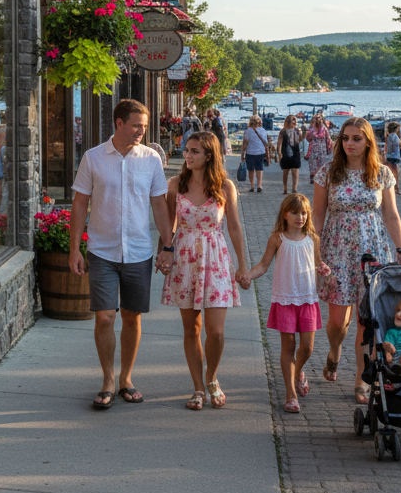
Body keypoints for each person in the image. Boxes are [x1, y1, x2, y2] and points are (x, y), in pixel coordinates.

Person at [69, 99, 174, 410]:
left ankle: (126, 378)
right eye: (136, 125)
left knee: (131, 316)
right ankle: (108, 381)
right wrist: (75, 248)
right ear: (118, 123)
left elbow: (159, 205)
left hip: (139, 251)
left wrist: (167, 246)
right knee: (104, 317)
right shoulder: (93, 158)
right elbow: (79, 204)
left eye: (143, 125)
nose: (141, 131)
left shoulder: (151, 159)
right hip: (102, 250)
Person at [314, 117, 401, 404]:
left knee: (366, 321)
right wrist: (313, 250)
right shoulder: (328, 173)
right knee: (335, 322)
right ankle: (333, 351)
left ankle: (361, 378)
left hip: (374, 250)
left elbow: (391, 214)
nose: (350, 143)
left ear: (368, 141)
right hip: (337, 250)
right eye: (345, 138)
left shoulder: (381, 173)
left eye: (356, 138)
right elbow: (317, 214)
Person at [159, 131, 248, 410]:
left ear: (209, 155)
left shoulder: (225, 187)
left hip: (216, 258)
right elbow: (168, 226)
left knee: (216, 331)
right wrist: (165, 250)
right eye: (187, 150)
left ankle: (212, 378)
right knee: (191, 328)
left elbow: (234, 226)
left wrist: (243, 265)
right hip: (185, 259)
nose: (187, 155)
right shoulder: (174, 184)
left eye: (194, 151)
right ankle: (197, 388)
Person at [238, 193, 331, 413]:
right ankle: (291, 394)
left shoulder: (313, 239)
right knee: (288, 347)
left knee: (307, 348)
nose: (300, 217)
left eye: (304, 213)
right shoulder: (277, 239)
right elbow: (263, 265)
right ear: (285, 215)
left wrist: (324, 269)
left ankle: (297, 371)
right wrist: (248, 276)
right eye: (295, 213)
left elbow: (318, 263)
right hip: (285, 299)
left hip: (307, 298)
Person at [241, 114, 268, 193]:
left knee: (251, 169)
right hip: (260, 152)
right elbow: (266, 143)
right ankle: (259, 185)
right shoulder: (263, 130)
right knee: (259, 169)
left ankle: (252, 186)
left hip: (250, 153)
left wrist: (242, 155)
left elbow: (245, 144)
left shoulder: (247, 131)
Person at [277, 114, 303, 194]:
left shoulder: (297, 130)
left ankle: (294, 189)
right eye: (292, 122)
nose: (293, 124)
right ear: (288, 122)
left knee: (295, 171)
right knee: (285, 172)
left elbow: (301, 138)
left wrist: (301, 134)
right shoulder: (283, 131)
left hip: (295, 152)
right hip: (285, 153)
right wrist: (279, 153)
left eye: (294, 122)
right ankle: (285, 188)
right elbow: (279, 143)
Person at [305, 113, 332, 185]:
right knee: (321, 163)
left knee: (313, 163)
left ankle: (313, 176)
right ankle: (319, 178)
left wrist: (312, 141)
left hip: (313, 148)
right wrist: (329, 149)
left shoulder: (311, 129)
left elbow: (307, 138)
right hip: (321, 148)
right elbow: (328, 140)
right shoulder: (324, 129)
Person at [384, 120, 401, 195]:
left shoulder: (389, 136)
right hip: (394, 156)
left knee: (392, 172)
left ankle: (395, 187)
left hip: (391, 156)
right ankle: (396, 188)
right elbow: (393, 146)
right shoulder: (394, 136)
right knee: (394, 172)